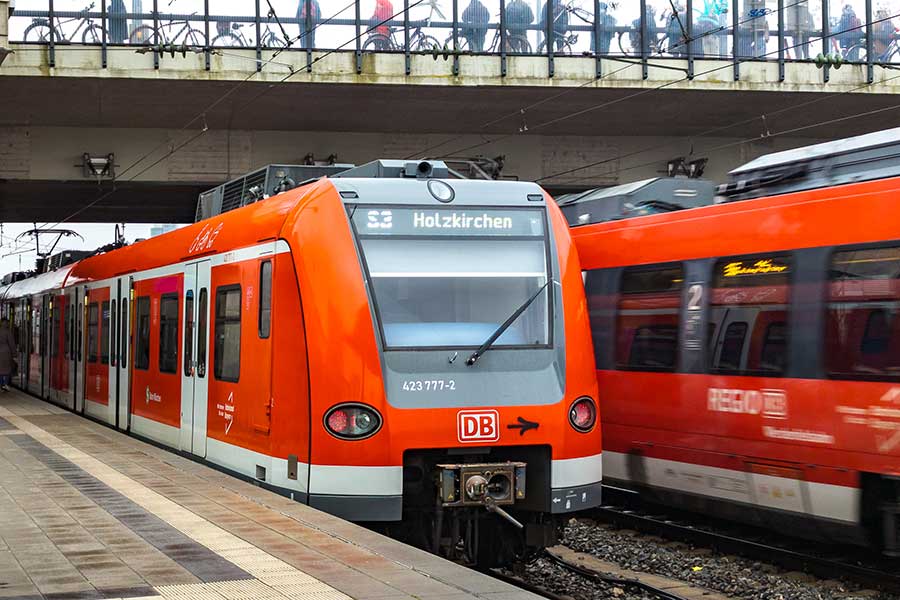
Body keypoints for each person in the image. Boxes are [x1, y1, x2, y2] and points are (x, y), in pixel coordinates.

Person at [0, 318, 15, 392]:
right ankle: (5, 384)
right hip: (6, 353)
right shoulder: (8, 332)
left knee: (0, 370)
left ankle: (1, 384)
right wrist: (14, 354)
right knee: (7, 369)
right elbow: (12, 344)